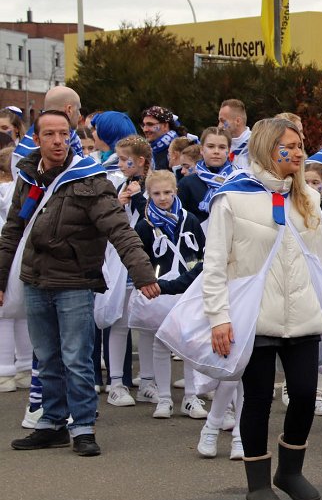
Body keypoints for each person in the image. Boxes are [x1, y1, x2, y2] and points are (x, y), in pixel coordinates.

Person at [2, 108, 159, 457]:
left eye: (64, 134)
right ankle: (52, 424)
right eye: (49, 134)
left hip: (75, 281)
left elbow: (119, 228)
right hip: (35, 279)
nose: (58, 141)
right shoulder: (29, 177)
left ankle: (84, 427)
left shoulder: (89, 177)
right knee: (46, 357)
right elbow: (12, 230)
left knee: (76, 358)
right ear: (37, 138)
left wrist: (142, 273)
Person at [205, 117, 322, 500]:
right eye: (290, 146)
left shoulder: (309, 198)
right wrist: (218, 317)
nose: (299, 153)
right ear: (268, 148)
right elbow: (215, 264)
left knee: (304, 395)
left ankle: (290, 471)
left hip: (303, 314)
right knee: (259, 399)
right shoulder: (232, 197)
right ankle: (258, 482)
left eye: (300, 146)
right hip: (255, 316)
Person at [133, 169, 206, 419]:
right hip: (159, 291)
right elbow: (139, 258)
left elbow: (201, 254)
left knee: (189, 342)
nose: (163, 198)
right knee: (161, 341)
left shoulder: (190, 220)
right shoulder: (144, 225)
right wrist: (147, 281)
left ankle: (191, 397)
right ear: (148, 194)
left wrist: (194, 278)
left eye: (167, 192)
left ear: (176, 192)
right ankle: (164, 398)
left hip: (187, 289)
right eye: (156, 194)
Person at [0, 146, 30, 393]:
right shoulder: (27, 189)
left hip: (10, 250)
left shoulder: (13, 190)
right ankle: (24, 367)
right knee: (20, 311)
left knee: (5, 315)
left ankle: (5, 372)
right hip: (20, 251)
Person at [177, 127, 234, 224]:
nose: (216, 151)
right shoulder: (187, 184)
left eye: (222, 147)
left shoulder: (238, 180)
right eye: (211, 146)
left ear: (228, 151)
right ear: (202, 150)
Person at [90, 111, 137, 183]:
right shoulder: (91, 161)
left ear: (107, 133)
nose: (92, 133)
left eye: (96, 129)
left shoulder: (124, 172)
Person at [141, 106, 183, 171]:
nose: (145, 129)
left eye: (150, 124)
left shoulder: (180, 149)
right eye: (144, 125)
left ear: (165, 126)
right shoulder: (149, 151)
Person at [218, 99, 252, 168]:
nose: (219, 126)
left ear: (237, 121)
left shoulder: (256, 145)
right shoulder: (220, 145)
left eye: (223, 121)